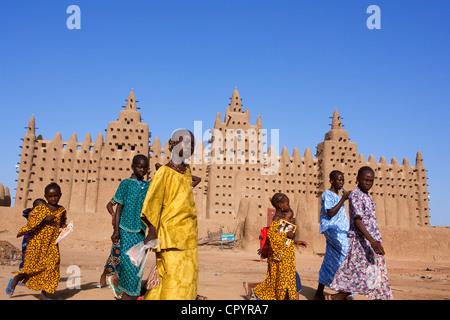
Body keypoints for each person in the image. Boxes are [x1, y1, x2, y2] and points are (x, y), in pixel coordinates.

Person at [141, 129, 199, 300]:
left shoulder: (186, 171)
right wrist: (152, 231)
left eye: (193, 144)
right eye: (186, 143)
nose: (190, 147)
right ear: (172, 144)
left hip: (189, 237)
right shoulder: (164, 172)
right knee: (174, 284)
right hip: (171, 237)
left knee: (189, 281)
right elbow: (153, 203)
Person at [328, 166, 393, 300]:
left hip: (371, 241)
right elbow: (358, 221)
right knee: (365, 272)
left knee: (371, 273)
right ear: (357, 179)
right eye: (365, 180)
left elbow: (370, 221)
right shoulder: (355, 196)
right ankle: (338, 297)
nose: (368, 183)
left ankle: (339, 297)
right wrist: (372, 241)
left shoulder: (366, 196)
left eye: (371, 180)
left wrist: (376, 240)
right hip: (362, 242)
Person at [6, 183, 67, 300]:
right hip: (36, 243)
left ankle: (43, 295)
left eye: (56, 195)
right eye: (50, 196)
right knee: (32, 267)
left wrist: (64, 226)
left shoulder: (62, 210)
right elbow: (31, 221)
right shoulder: (40, 209)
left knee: (52, 267)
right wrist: (44, 219)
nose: (53, 198)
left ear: (60, 195)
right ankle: (17, 279)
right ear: (45, 197)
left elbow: (62, 222)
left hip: (52, 244)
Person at [252, 193, 307, 300]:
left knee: (282, 280)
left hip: (284, 257)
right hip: (281, 259)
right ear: (280, 205)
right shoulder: (278, 220)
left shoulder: (281, 219)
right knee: (281, 280)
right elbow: (279, 237)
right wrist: (287, 230)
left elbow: (284, 238)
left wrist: (295, 242)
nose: (289, 206)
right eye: (287, 203)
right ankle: (259, 295)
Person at [110, 154, 150, 300]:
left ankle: (130, 293)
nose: (142, 170)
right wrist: (116, 230)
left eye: (145, 167)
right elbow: (119, 207)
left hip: (140, 231)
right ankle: (124, 291)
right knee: (127, 263)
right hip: (125, 230)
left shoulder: (148, 186)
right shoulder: (125, 184)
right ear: (132, 167)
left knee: (137, 265)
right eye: (139, 166)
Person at [314, 170, 351, 300]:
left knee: (329, 260)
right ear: (331, 180)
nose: (341, 182)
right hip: (332, 230)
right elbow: (330, 213)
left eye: (342, 180)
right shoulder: (327, 195)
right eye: (339, 180)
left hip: (341, 231)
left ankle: (319, 293)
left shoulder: (338, 196)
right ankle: (345, 293)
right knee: (348, 256)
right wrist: (343, 198)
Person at [19, 198, 46, 271]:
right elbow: (24, 213)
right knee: (25, 260)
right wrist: (29, 210)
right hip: (27, 243)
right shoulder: (31, 215)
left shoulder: (44, 218)